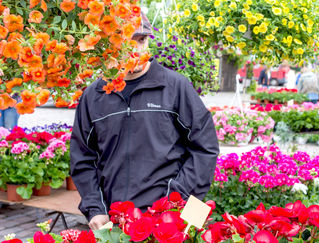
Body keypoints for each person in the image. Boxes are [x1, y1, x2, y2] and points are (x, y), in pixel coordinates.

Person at [70, 14, 219, 230]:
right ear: (109, 45)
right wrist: (96, 208)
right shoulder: (94, 95)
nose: (137, 49)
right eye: (127, 41)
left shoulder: (175, 87)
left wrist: (178, 201)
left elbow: (206, 147)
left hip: (171, 215)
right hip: (115, 220)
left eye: (141, 40)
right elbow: (82, 158)